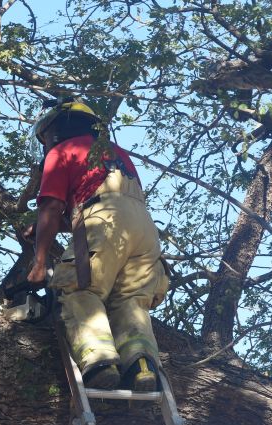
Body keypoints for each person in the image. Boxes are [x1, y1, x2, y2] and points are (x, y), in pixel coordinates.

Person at [26, 98, 169, 391]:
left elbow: (52, 209)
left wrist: (39, 262)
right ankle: (141, 364)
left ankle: (100, 361)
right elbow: (102, 202)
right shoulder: (116, 154)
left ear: (54, 131)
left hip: (102, 221)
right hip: (143, 228)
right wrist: (43, 229)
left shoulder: (61, 151)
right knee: (130, 301)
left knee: (78, 290)